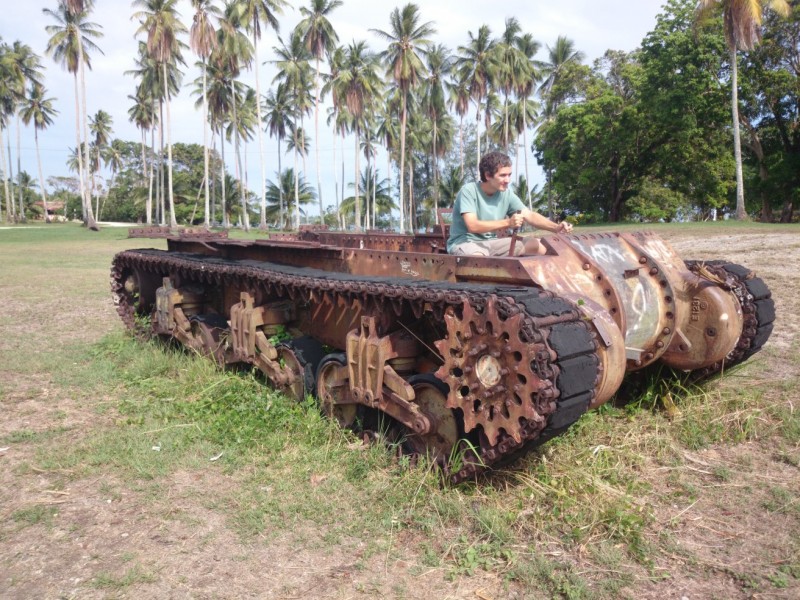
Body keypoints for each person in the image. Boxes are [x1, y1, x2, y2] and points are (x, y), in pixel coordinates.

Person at [446, 151, 573, 256]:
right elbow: (472, 226)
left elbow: (529, 215)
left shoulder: (506, 193)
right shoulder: (469, 190)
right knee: (479, 260)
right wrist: (508, 223)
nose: (508, 180)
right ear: (488, 175)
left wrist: (556, 228)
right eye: (503, 175)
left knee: (538, 245)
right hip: (465, 244)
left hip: (492, 243)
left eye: (509, 175)